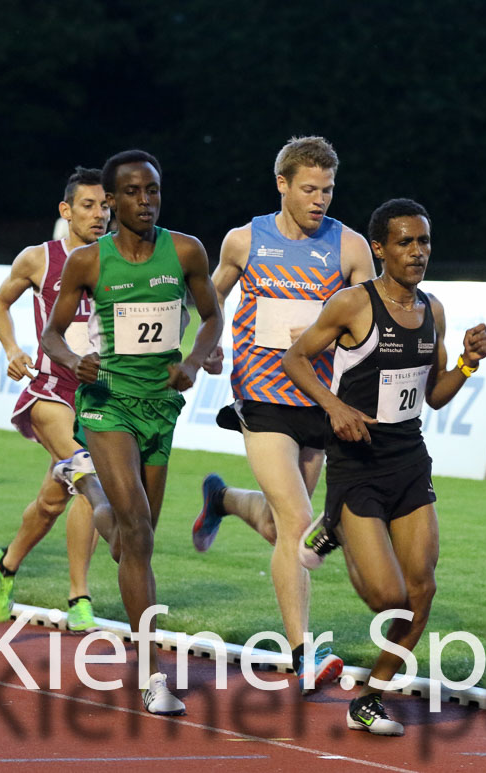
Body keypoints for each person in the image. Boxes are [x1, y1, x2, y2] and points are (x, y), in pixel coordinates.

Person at [283, 198, 486, 735]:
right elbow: (296, 359)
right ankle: (333, 524)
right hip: (356, 464)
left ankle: (369, 697)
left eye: (424, 241)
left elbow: (437, 396)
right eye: (405, 242)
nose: (417, 252)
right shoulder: (353, 304)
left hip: (408, 460)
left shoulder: (433, 310)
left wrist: (469, 361)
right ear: (379, 249)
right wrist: (333, 406)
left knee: (421, 592)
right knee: (388, 600)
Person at [190, 136, 375, 693]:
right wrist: (208, 345)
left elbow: (374, 324)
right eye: (310, 189)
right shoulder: (245, 240)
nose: (320, 200)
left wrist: (329, 338)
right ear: (283, 185)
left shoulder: (350, 247)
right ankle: (303, 657)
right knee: (299, 523)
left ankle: (223, 499)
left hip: (319, 402)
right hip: (262, 398)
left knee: (279, 527)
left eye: (328, 190)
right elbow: (210, 297)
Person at [41, 149, 222, 715]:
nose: (147, 202)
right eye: (135, 193)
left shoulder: (186, 250)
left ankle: (89, 488)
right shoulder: (88, 263)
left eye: (154, 191)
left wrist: (193, 363)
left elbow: (213, 317)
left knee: (125, 542)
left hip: (160, 408)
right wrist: (74, 361)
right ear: (113, 201)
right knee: (139, 531)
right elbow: (51, 335)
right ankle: (152, 674)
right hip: (107, 404)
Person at [0, 167, 114, 633]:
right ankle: (79, 598)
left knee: (52, 501)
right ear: (66, 210)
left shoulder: (120, 261)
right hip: (49, 390)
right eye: (89, 205)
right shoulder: (39, 258)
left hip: (98, 396)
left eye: (105, 206)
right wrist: (13, 349)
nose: (99, 214)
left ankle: (7, 564)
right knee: (87, 472)